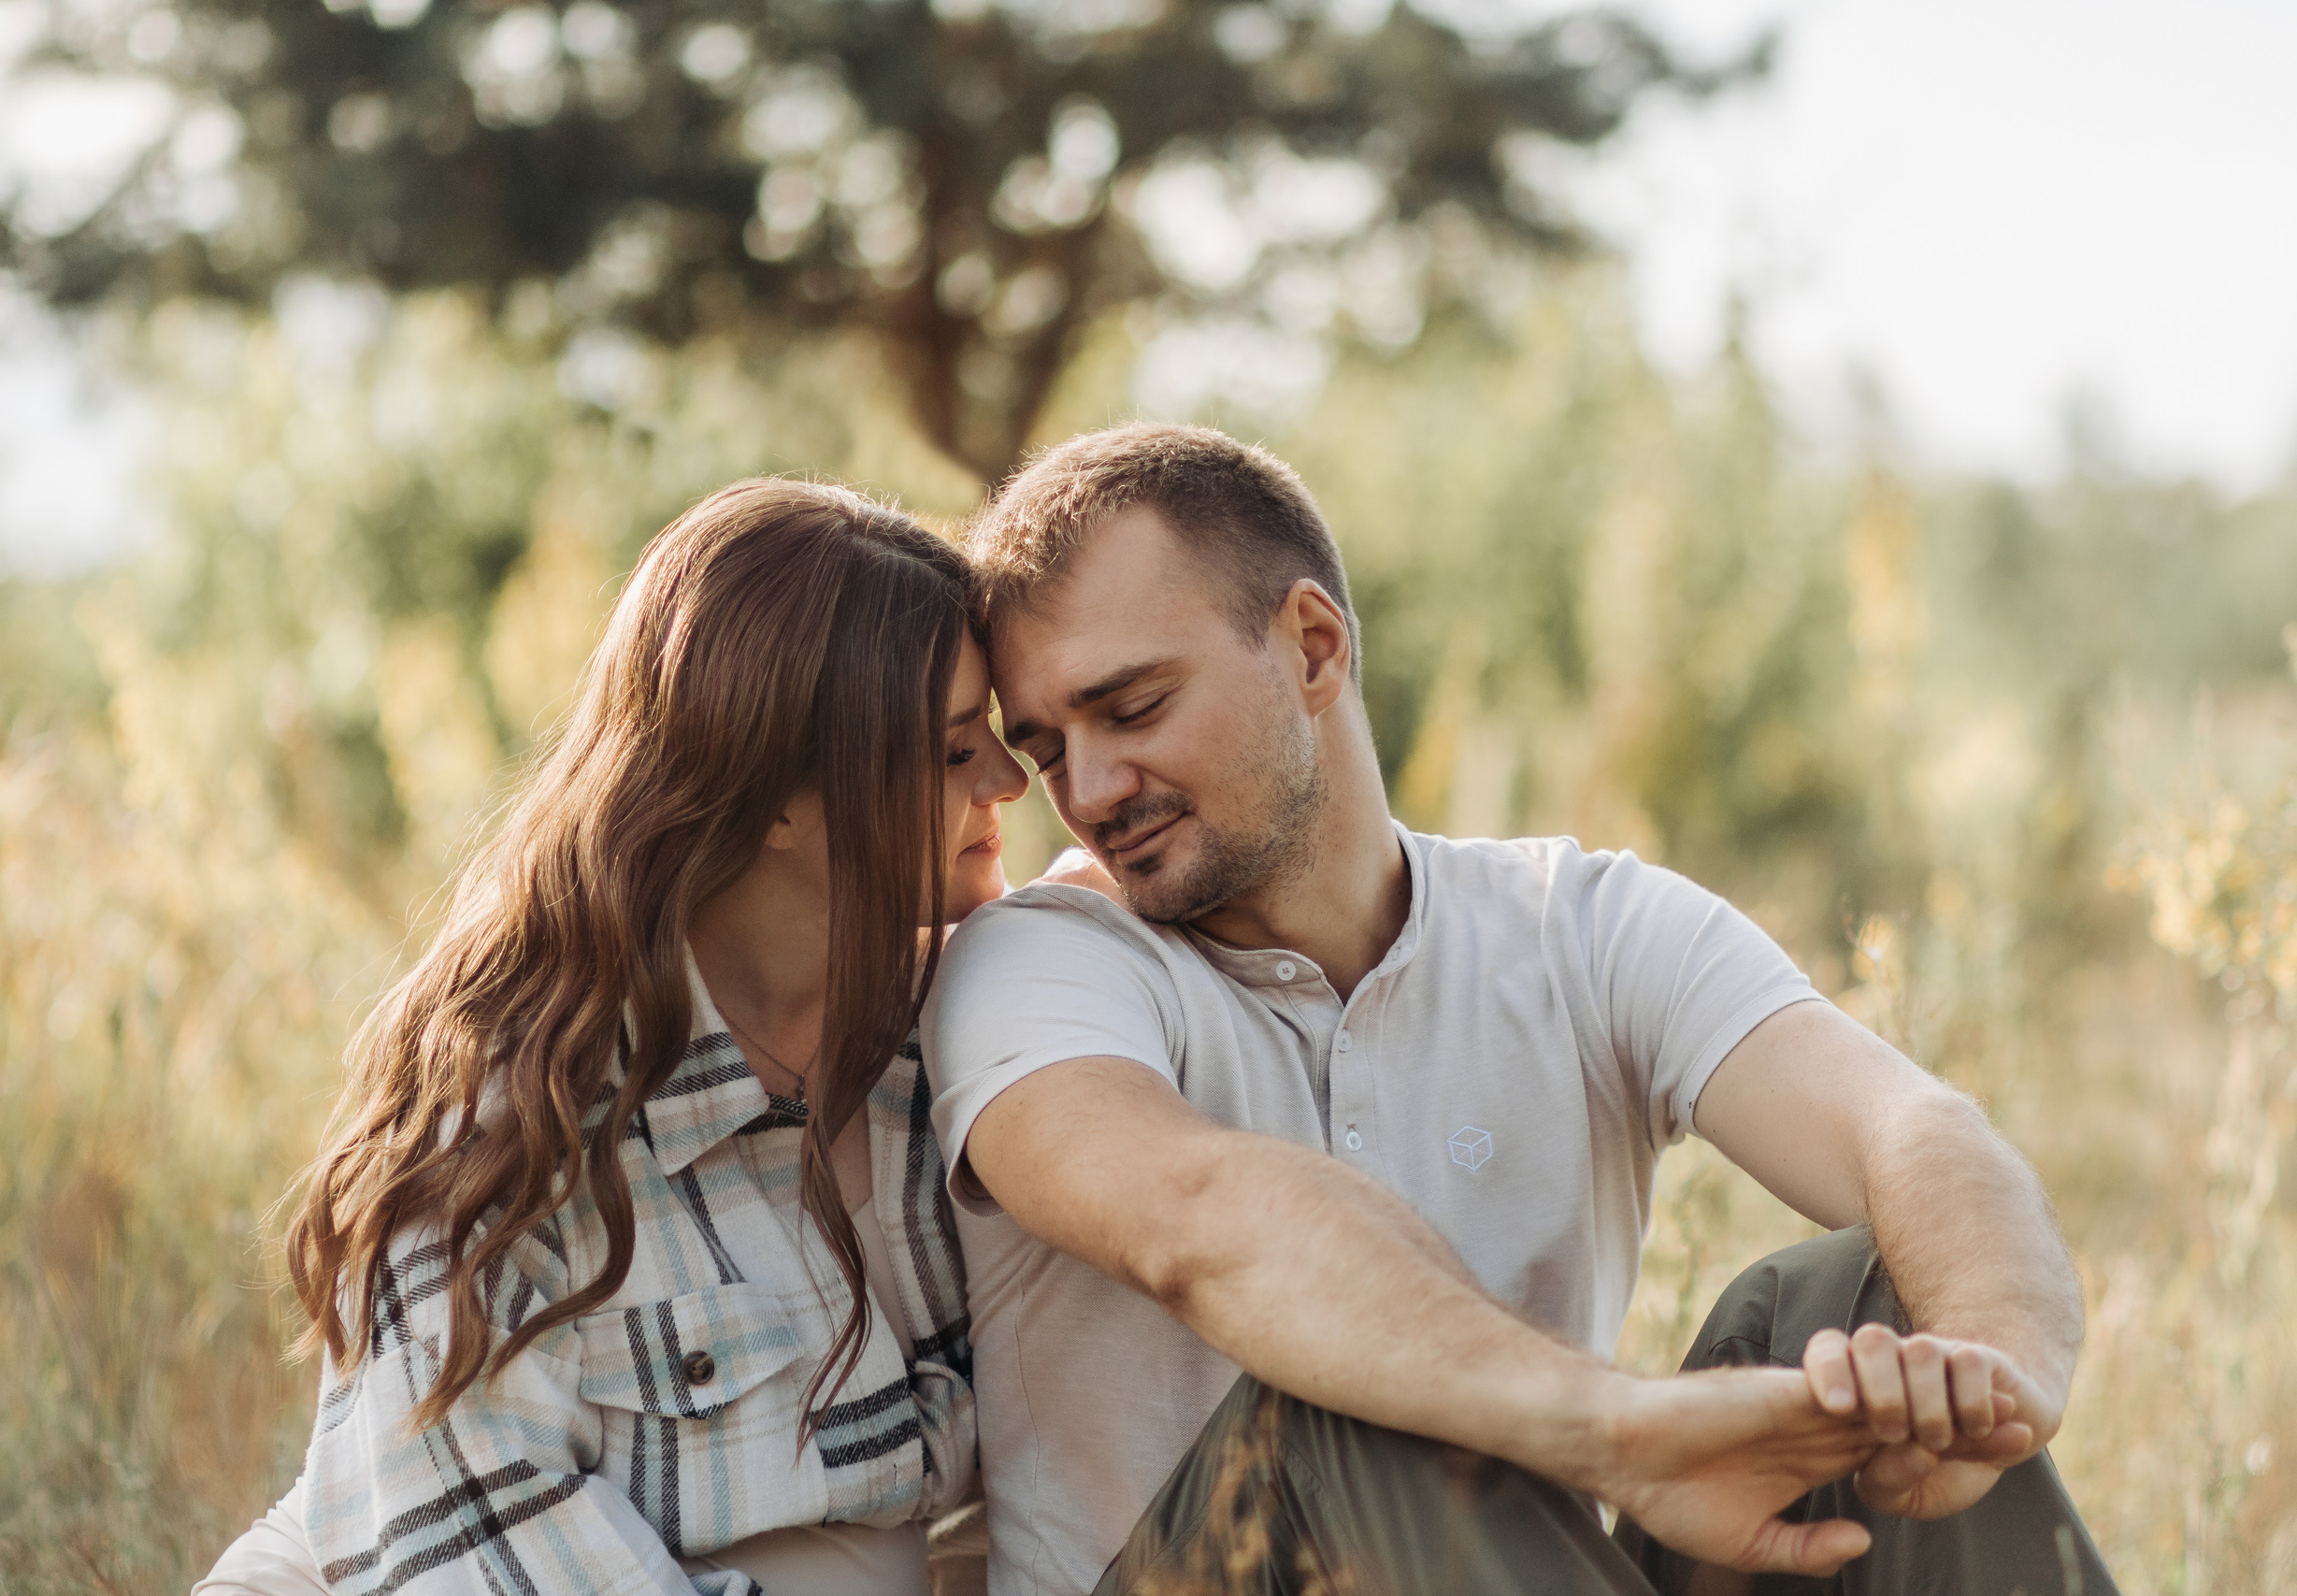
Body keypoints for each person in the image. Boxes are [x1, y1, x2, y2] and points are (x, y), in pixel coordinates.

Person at [922, 422, 2118, 1596]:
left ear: (1312, 648)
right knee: (1358, 1379)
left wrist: (1991, 1388)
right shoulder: (1033, 964)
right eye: (1044, 747)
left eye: (1130, 710)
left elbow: (1905, 1130)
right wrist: (1621, 1431)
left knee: (1868, 1309)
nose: (1084, 792)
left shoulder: (1580, 926)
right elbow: (1195, 1219)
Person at [194, 479, 1028, 1596]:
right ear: (782, 798)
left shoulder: (973, 1030)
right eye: (953, 752)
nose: (1013, 784)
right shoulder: (502, 1127)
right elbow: (486, 1563)